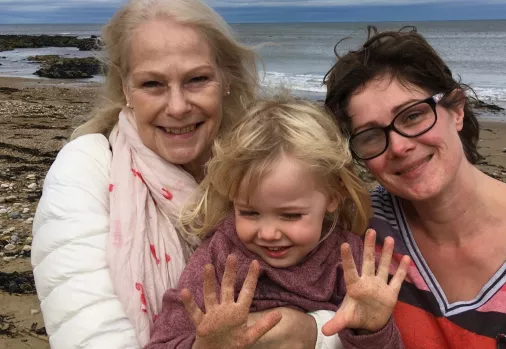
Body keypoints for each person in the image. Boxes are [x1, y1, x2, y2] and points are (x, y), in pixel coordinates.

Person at [30, 1, 333, 348]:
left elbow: (350, 297)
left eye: (197, 79)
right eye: (153, 84)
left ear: (226, 80)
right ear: (126, 90)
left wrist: (310, 332)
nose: (177, 107)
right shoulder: (85, 170)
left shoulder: (259, 164)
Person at [323, 26, 506, 348]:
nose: (398, 147)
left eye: (412, 116)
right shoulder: (361, 229)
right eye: (370, 135)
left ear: (457, 110)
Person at [145, 96, 410, 349]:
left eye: (291, 215)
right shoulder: (220, 254)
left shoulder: (349, 260)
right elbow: (162, 342)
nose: (269, 233)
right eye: (249, 213)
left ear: (333, 195)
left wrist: (371, 329)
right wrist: (204, 344)